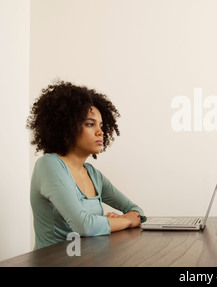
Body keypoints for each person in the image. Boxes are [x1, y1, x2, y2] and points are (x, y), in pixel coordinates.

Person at [27, 80, 146, 249]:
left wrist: (125, 218)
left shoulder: (92, 174)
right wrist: (125, 220)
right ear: (66, 126)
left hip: (86, 259)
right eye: (90, 124)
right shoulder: (49, 165)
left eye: (101, 125)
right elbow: (84, 226)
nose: (100, 132)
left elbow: (136, 210)